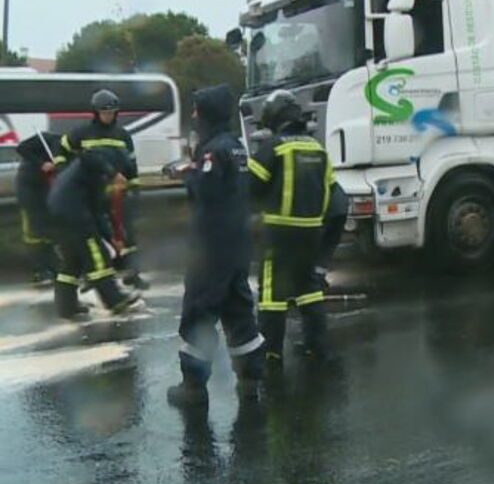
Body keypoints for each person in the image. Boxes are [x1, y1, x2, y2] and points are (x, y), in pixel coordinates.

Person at [167, 84, 265, 407]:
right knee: (239, 310)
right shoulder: (236, 146)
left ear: (207, 112)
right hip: (236, 243)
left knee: (199, 312)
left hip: (211, 247)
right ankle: (250, 380)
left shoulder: (214, 150)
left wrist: (187, 175)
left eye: (196, 109)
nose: (193, 116)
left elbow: (207, 189)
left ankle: (193, 388)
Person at [247, 89, 337, 367]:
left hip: (278, 233)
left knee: (272, 294)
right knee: (308, 288)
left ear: (274, 117)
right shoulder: (317, 148)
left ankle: (271, 353)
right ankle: (317, 346)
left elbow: (251, 187)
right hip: (311, 231)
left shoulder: (274, 147)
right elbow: (331, 189)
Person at [58, 89, 148, 290]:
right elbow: (62, 153)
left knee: (129, 235)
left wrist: (134, 191)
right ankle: (93, 277)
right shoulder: (80, 132)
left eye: (112, 112)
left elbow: (131, 166)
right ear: (95, 112)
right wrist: (64, 175)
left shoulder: (123, 136)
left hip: (118, 193)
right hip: (90, 194)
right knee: (96, 236)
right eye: (104, 112)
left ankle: (133, 273)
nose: (108, 116)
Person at [47, 149, 141, 319]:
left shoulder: (89, 178)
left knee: (72, 262)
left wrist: (111, 238)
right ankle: (115, 301)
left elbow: (97, 212)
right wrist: (113, 173)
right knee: (98, 258)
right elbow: (87, 155)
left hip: (59, 215)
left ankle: (66, 306)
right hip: (75, 216)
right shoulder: (91, 164)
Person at [16, 131, 61, 285]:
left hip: (47, 188)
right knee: (34, 231)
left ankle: (53, 268)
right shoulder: (47, 138)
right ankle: (40, 270)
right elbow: (21, 148)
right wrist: (41, 163)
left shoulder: (71, 152)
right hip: (29, 187)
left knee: (50, 229)